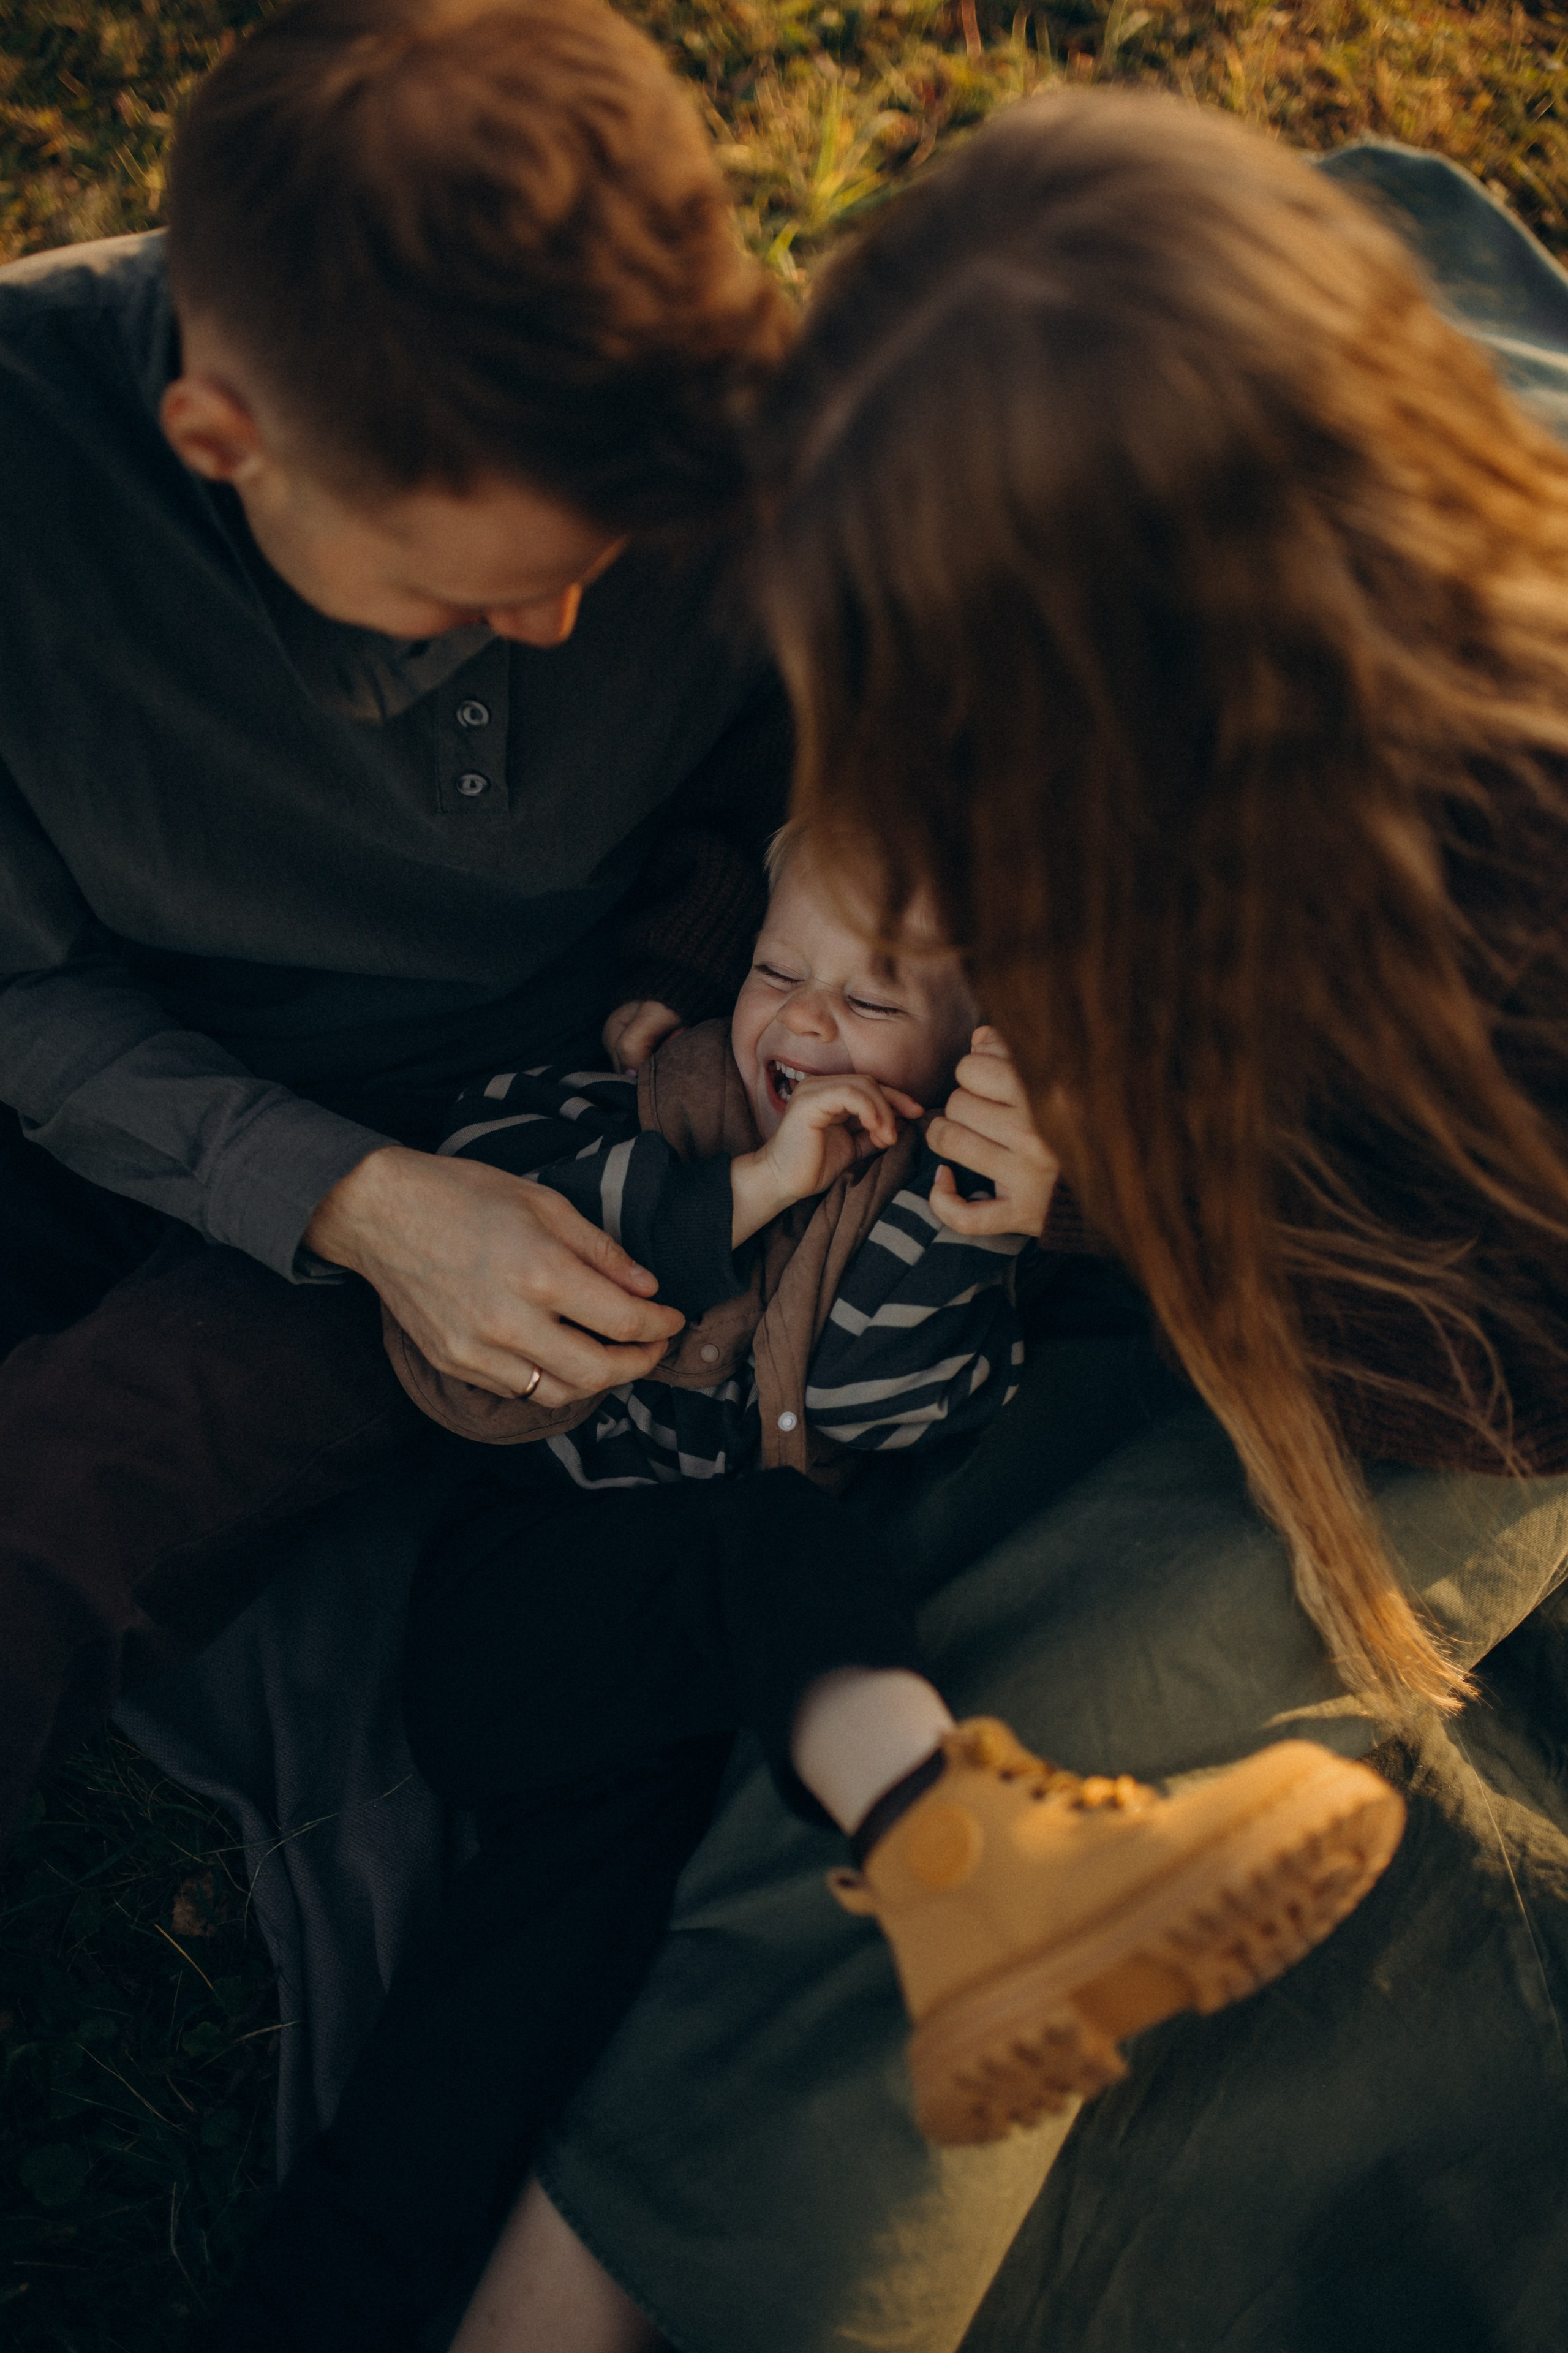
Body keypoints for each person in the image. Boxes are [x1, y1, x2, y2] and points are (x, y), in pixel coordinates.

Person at [416, 96, 1568, 2353]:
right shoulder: (1218, 339)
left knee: (1029, 1688)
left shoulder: (1468, 936)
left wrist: (1117, 1180)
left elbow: (1497, 1368)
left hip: (1450, 1349)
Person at [227, 826, 1401, 2347]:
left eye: (877, 1000)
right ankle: (960, 1856)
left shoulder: (938, 1223)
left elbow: (892, 1399)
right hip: (525, 1615)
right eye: (782, 971)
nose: (811, 1020)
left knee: (508, 2031)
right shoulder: (607, 1097)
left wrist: (967, 1223)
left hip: (676, 1737)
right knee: (778, 1542)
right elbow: (477, 1353)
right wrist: (738, 1190)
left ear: (974, 1047)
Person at [0, 0, 796, 1849]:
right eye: (476, 591)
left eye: (605, 562)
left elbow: (789, 775)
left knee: (71, 1508)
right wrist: (347, 1198)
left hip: (515, 1127)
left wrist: (675, 996)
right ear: (222, 436)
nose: (553, 634)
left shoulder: (738, 415)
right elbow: (21, 991)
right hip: (124, 1065)